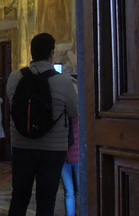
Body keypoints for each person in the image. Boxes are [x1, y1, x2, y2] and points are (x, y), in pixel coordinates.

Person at [6, 33, 78, 216]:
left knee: (19, 197)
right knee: (46, 200)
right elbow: (75, 112)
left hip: (21, 145)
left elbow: (12, 104)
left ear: (31, 52)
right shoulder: (64, 81)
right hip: (52, 149)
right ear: (52, 52)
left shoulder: (14, 77)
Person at [61, 76, 80, 216]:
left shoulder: (82, 111)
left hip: (79, 156)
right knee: (69, 192)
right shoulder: (61, 110)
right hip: (64, 157)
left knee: (81, 191)